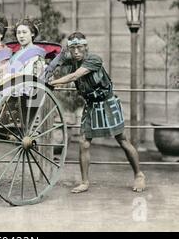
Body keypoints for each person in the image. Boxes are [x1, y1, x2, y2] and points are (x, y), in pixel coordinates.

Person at [48, 32, 146, 194]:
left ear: (86, 47)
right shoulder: (72, 59)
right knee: (84, 142)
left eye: (79, 47)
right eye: (73, 48)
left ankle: (139, 174)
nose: (76, 51)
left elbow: (74, 76)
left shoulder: (94, 60)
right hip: (91, 104)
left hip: (107, 103)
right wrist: (50, 66)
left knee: (122, 140)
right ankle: (85, 182)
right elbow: (57, 59)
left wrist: (52, 82)